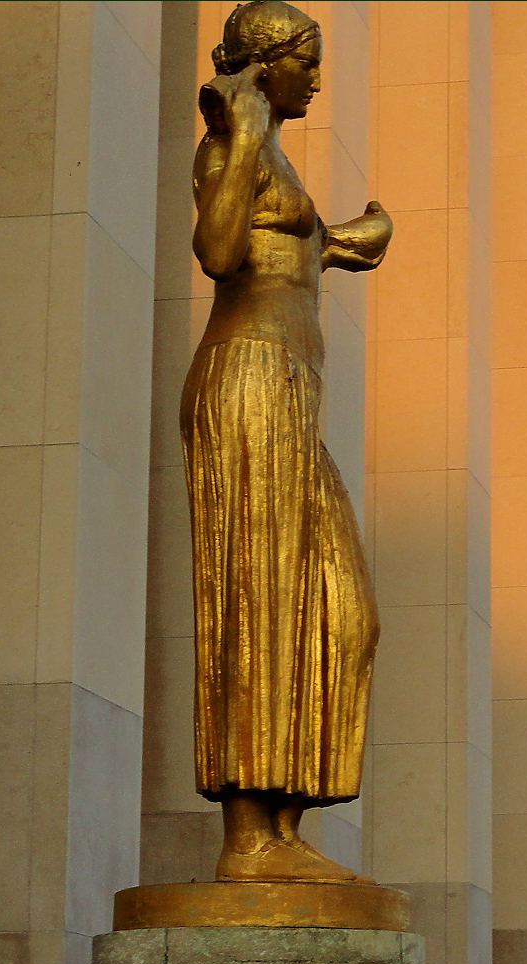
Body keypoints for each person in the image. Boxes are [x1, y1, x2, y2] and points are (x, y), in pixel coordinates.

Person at [180, 0, 392, 883]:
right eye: (308, 57)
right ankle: (247, 839)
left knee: (343, 616)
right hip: (248, 380)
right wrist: (240, 131)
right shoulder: (232, 143)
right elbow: (221, 248)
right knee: (257, 598)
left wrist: (343, 241)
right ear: (268, 66)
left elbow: (284, 247)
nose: (318, 74)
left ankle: (285, 825)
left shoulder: (270, 152)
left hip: (290, 395)